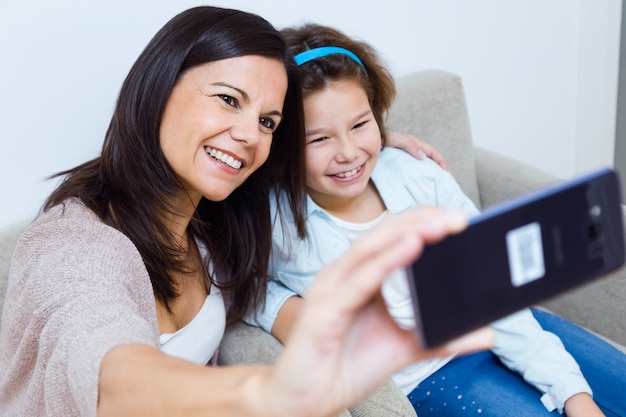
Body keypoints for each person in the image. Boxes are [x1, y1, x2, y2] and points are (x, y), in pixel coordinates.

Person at [0, 6, 494, 417]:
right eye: (228, 99)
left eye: (267, 121)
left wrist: (380, 150)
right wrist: (268, 394)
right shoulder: (73, 246)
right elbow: (110, 376)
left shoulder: (214, 216)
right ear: (157, 87)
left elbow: (308, 160)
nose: (249, 135)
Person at [246, 22, 626, 417]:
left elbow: (497, 288)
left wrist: (571, 392)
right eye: (318, 139)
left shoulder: (417, 176)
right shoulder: (275, 221)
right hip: (433, 376)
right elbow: (232, 282)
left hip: (503, 327)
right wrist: (282, 308)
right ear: (282, 147)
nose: (348, 152)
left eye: (360, 125)